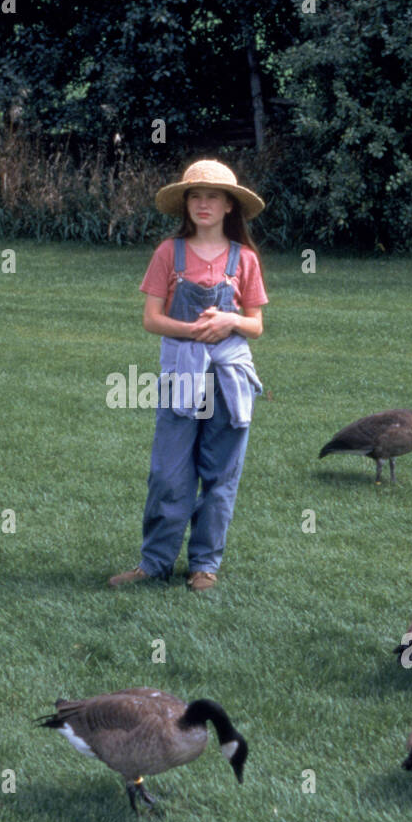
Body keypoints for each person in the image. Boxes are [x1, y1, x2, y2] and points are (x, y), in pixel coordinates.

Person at [109, 159, 268, 593]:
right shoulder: (169, 253)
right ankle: (154, 563)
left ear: (229, 206)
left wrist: (229, 322)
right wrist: (197, 332)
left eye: (212, 196)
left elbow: (256, 324)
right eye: (195, 196)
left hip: (229, 380)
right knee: (168, 472)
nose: (203, 204)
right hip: (181, 375)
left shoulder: (245, 259)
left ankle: (204, 565)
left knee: (219, 475)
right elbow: (151, 319)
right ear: (185, 204)